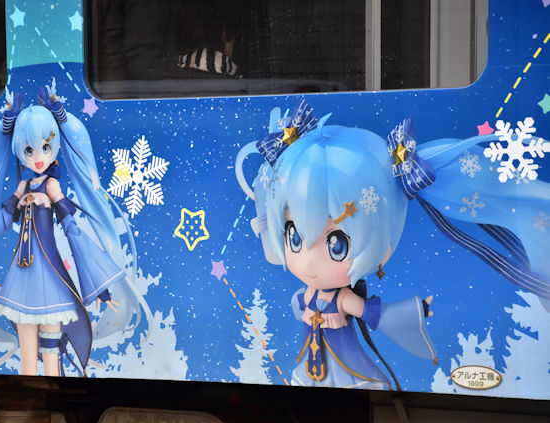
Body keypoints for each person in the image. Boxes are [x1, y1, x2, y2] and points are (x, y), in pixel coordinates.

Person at [235, 100, 550, 388]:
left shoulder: (342, 299)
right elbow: (299, 306)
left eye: (336, 245)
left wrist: (417, 310)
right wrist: (308, 314)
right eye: (294, 236)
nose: (308, 261)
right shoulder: (309, 294)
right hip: (311, 365)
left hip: (346, 369)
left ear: (382, 249)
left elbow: (377, 315)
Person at [0, 80, 150, 376]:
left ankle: (53, 391)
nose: (38, 157)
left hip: (49, 275)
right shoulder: (23, 186)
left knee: (50, 352)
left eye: (45, 147)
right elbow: (1, 223)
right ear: (19, 151)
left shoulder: (52, 186)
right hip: (22, 275)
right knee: (28, 355)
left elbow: (73, 230)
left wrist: (99, 284)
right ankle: (29, 393)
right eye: (29, 150)